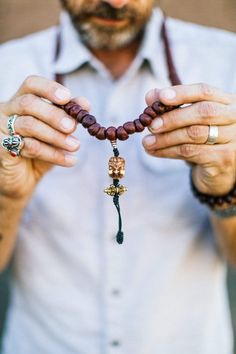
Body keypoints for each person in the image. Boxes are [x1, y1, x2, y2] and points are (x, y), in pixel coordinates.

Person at [0, 0, 236, 353]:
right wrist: (8, 197)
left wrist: (226, 189)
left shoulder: (227, 63)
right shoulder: (7, 71)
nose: (115, 2)